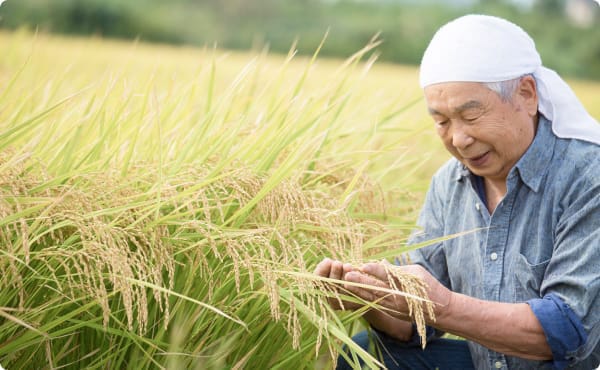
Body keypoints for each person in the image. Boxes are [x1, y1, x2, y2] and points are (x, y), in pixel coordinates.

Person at [314, 14, 600, 370]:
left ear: (526, 95)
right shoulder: (450, 183)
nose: (459, 139)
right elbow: (414, 323)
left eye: (472, 115)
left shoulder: (589, 177)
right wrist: (374, 301)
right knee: (365, 352)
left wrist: (442, 305)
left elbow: (566, 332)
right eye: (442, 122)